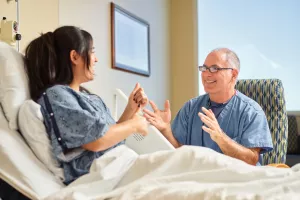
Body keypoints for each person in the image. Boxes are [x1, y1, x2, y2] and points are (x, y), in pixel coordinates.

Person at [24, 26, 149, 184]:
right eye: (92, 52)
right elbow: (96, 141)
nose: (96, 59)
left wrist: (131, 109)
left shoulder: (88, 97)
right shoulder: (56, 95)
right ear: (75, 56)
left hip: (118, 164)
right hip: (98, 174)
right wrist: (134, 125)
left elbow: (108, 138)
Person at [143, 48, 273, 166]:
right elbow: (179, 151)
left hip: (235, 182)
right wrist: (166, 129)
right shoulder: (190, 108)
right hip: (197, 180)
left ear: (233, 75)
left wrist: (221, 138)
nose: (206, 74)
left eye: (215, 68)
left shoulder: (252, 112)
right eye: (204, 68)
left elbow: (251, 160)